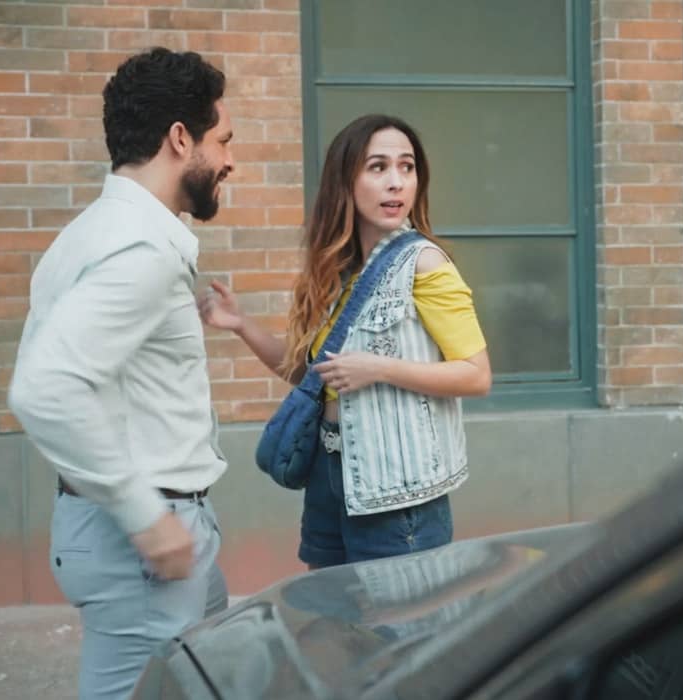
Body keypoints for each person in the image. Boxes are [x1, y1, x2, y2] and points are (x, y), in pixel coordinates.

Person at [7, 47, 235, 700]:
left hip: (145, 538)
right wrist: (147, 519)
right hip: (142, 547)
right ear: (179, 138)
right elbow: (45, 388)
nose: (229, 161)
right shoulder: (141, 250)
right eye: (223, 140)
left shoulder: (87, 234)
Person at [200, 113, 491, 568]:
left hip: (398, 495)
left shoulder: (425, 264)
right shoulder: (338, 273)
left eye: (406, 167)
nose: (396, 182)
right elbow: (310, 377)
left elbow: (476, 375)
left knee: (400, 630)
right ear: (346, 182)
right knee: (331, 627)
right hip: (329, 476)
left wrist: (380, 368)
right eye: (378, 168)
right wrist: (241, 324)